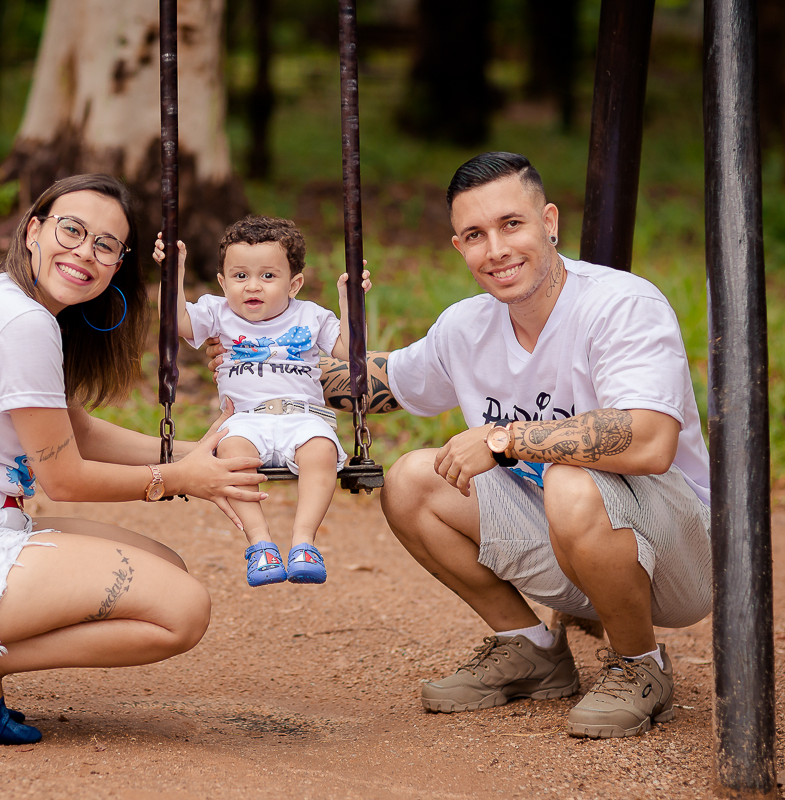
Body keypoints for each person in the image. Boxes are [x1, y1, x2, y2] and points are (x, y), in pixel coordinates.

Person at [209, 152, 712, 739]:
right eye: (475, 235)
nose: (495, 249)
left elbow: (649, 439)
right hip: (568, 537)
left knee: (572, 481)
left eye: (511, 225)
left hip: (676, 549)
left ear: (549, 222)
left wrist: (507, 439)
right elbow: (380, 382)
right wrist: (260, 359)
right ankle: (531, 650)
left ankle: (638, 664)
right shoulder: (467, 326)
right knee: (411, 480)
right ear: (459, 247)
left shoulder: (621, 304)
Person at [0, 174, 267, 746]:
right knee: (182, 610)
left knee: (166, 569)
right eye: (71, 230)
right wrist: (179, 479)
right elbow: (64, 477)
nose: (85, 252)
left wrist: (199, 456)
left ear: (117, 265)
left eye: (105, 245)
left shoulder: (15, 304)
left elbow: (74, 429)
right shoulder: (21, 322)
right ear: (34, 231)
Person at [154, 216, 370, 587]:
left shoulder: (312, 315)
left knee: (319, 449)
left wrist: (350, 301)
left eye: (268, 276)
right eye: (240, 276)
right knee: (231, 452)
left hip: (303, 417)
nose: (252, 286)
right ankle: (261, 545)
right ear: (223, 283)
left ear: (294, 284)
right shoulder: (217, 312)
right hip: (245, 419)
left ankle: (304, 542)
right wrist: (172, 273)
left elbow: (352, 350)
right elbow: (177, 322)